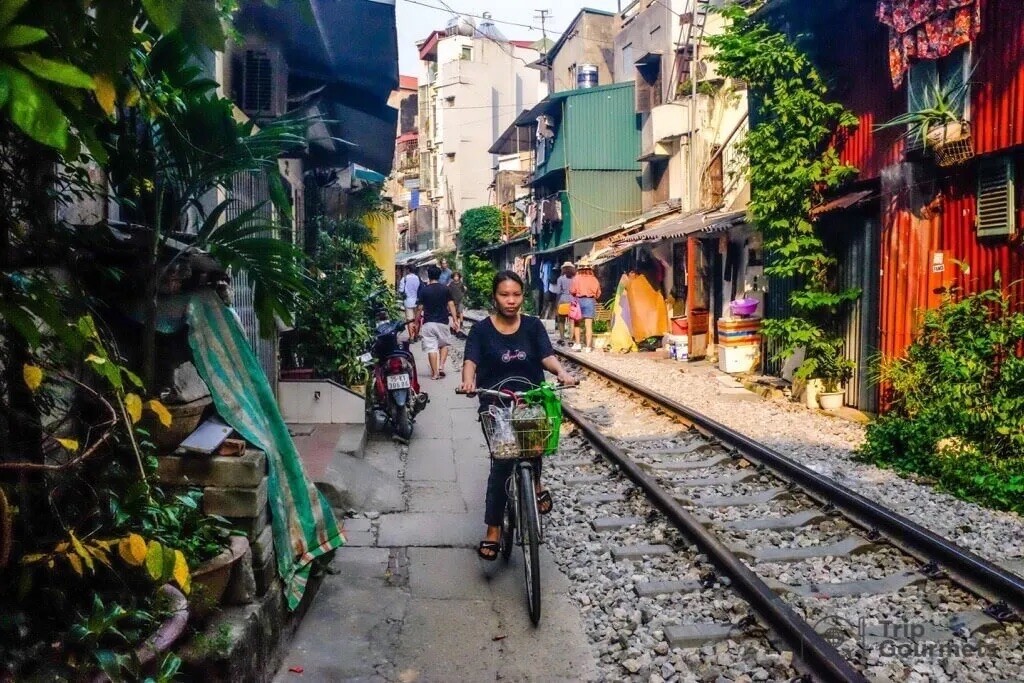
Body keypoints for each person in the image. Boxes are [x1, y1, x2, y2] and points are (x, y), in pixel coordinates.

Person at [460, 271, 577, 561]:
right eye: (504, 295)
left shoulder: (533, 326)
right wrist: (468, 381)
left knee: (533, 445)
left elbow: (546, 357)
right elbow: (471, 361)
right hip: (495, 401)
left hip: (530, 398)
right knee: (502, 463)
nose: (511, 301)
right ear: (494, 297)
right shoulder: (481, 331)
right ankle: (493, 530)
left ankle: (535, 485)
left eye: (516, 295)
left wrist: (561, 372)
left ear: (522, 296)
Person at [417, 265, 459, 380]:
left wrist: (416, 322)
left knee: (431, 348)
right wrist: (455, 320)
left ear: (428, 276)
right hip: (443, 322)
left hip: (428, 323)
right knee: (444, 344)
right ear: (439, 275)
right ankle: (441, 367)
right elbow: (451, 305)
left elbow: (420, 308)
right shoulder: (445, 289)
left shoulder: (424, 290)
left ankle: (435, 374)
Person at [570, 263, 602, 353]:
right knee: (589, 325)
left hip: (579, 301)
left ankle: (578, 344)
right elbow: (598, 293)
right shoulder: (594, 279)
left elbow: (572, 290)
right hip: (590, 301)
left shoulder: (576, 278)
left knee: (577, 324)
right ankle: (588, 347)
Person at [399, 265, 422, 341]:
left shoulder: (404, 278)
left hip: (407, 301)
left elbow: (401, 291)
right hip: (417, 301)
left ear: (408, 270)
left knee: (409, 320)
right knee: (417, 319)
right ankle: (416, 335)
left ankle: (411, 337)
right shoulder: (418, 278)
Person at [555, 261, 575, 344]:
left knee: (561, 320)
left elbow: (558, 291)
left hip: (562, 300)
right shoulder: (575, 278)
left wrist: (556, 303)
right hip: (572, 300)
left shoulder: (560, 279)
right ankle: (571, 339)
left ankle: (562, 338)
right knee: (571, 320)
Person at [447, 271, 467, 336]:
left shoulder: (461, 284)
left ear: (459, 277)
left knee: (460, 312)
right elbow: (448, 290)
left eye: (457, 276)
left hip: (460, 300)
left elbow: (464, 290)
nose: (456, 277)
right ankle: (455, 325)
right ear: (453, 277)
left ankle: (461, 323)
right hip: (453, 301)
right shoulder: (451, 284)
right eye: (455, 276)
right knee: (454, 313)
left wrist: (464, 290)